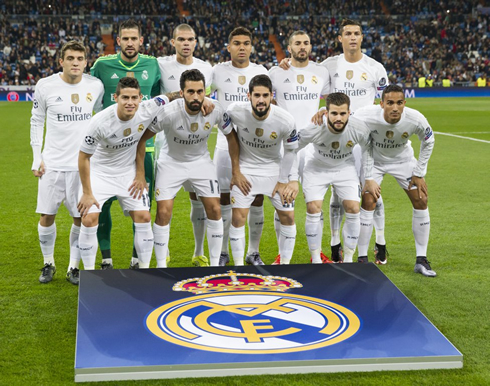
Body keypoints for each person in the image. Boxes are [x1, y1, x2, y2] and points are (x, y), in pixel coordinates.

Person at [136, 69, 239, 267]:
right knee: (163, 212)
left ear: (205, 92)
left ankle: (215, 264)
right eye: (190, 92)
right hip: (171, 162)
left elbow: (232, 137)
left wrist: (236, 171)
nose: (196, 96)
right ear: (181, 93)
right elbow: (142, 139)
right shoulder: (168, 112)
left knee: (215, 208)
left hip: (200, 162)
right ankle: (160, 266)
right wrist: (140, 174)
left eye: (200, 92)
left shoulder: (215, 109)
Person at [30, 40, 104, 285]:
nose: (75, 63)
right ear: (60, 61)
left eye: (80, 59)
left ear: (86, 62)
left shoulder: (96, 85)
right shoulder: (45, 85)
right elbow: (36, 121)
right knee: (47, 215)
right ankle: (48, 262)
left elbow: (101, 120)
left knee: (79, 218)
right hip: (50, 164)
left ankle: (73, 267)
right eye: (70, 58)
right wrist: (36, 156)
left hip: (81, 166)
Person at [77, 77, 169, 270]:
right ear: (115, 97)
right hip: (99, 174)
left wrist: (206, 102)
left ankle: (144, 270)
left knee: (144, 217)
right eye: (125, 97)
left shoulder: (147, 108)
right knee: (89, 218)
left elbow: (170, 96)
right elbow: (84, 157)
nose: (130, 102)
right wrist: (87, 192)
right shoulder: (100, 122)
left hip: (128, 173)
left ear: (140, 98)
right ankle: (90, 275)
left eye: (134, 98)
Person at [90, 19, 160, 269]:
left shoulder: (152, 65)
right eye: (125, 38)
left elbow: (159, 102)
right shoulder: (101, 65)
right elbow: (89, 97)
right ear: (117, 41)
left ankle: (136, 260)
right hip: (107, 151)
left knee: (141, 205)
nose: (130, 43)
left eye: (134, 38)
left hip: (143, 148)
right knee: (101, 204)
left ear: (141, 41)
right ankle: (106, 258)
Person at [354, 84, 436, 276]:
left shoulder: (415, 118)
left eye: (399, 103)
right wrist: (367, 177)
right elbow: (344, 120)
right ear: (381, 104)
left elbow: (429, 140)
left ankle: (421, 260)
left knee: (421, 199)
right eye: (390, 103)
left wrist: (419, 172)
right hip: (375, 161)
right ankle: (362, 259)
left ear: (404, 103)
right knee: (368, 201)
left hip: (403, 160)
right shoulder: (365, 115)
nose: (395, 107)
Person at [269, 30, 331, 264]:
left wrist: (326, 109)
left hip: (314, 148)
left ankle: (317, 255)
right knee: (283, 205)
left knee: (315, 203)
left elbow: (333, 98)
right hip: (286, 148)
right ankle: (281, 254)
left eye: (306, 42)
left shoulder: (321, 71)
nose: (302, 47)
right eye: (297, 43)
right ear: (289, 47)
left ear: (310, 46)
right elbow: (266, 100)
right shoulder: (276, 72)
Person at [297, 92, 379, 263]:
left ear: (349, 112)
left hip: (344, 167)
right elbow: (292, 149)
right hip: (317, 167)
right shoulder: (313, 127)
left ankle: (348, 259)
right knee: (313, 208)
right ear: (326, 113)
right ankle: (316, 260)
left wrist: (369, 178)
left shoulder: (359, 128)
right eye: (334, 113)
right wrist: (291, 178)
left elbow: (367, 149)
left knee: (353, 208)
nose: (338, 118)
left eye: (343, 113)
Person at [156, 24, 214, 267]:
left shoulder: (206, 68)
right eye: (181, 39)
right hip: (166, 142)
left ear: (196, 42)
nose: (186, 43)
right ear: (173, 42)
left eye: (190, 39)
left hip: (196, 143)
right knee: (164, 204)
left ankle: (199, 252)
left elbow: (207, 97)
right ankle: (163, 251)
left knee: (198, 199)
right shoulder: (161, 64)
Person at [211, 27, 269, 266]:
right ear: (229, 46)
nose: (242, 47)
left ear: (252, 47)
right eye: (236, 43)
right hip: (225, 145)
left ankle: (253, 252)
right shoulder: (216, 71)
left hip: (255, 146)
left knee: (256, 198)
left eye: (246, 43)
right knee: (224, 198)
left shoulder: (261, 71)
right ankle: (223, 251)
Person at [226, 74, 299, 265]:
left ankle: (285, 265)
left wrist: (285, 180)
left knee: (288, 217)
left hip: (274, 171)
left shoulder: (285, 119)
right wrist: (236, 171)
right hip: (246, 171)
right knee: (238, 217)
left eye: (265, 95)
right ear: (248, 95)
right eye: (256, 95)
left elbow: (291, 151)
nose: (261, 100)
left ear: (271, 96)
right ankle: (240, 267)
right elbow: (220, 119)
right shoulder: (236, 111)